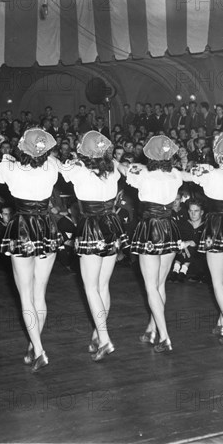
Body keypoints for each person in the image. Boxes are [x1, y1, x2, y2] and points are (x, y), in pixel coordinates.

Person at [0, 128, 62, 372]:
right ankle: (35, 345)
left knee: (25, 295)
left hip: (23, 226)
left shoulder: (11, 169)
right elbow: (50, 160)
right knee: (39, 291)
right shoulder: (51, 166)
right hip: (45, 225)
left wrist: (5, 154)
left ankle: (39, 349)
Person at [59, 131, 129, 360]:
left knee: (90, 287)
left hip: (91, 225)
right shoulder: (113, 169)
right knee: (102, 286)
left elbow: (56, 166)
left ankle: (105, 338)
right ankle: (97, 335)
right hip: (111, 223)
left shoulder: (78, 170)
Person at [182, 134, 223, 345]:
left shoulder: (209, 174)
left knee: (218, 281)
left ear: (217, 154)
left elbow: (185, 176)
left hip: (216, 225)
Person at [118, 136, 182, 352]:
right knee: (160, 284)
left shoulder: (143, 174)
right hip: (169, 227)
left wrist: (114, 161)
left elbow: (124, 170)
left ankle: (164, 336)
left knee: (151, 286)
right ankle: (152, 329)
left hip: (150, 229)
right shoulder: (174, 174)